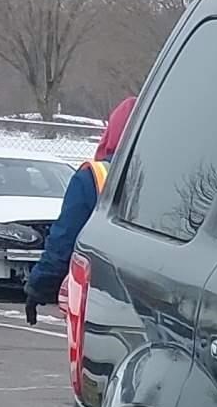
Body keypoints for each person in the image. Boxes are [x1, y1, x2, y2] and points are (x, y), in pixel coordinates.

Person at [23, 97, 134, 323]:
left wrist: (39, 286)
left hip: (103, 298)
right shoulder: (180, 175)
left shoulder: (94, 177)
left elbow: (65, 240)